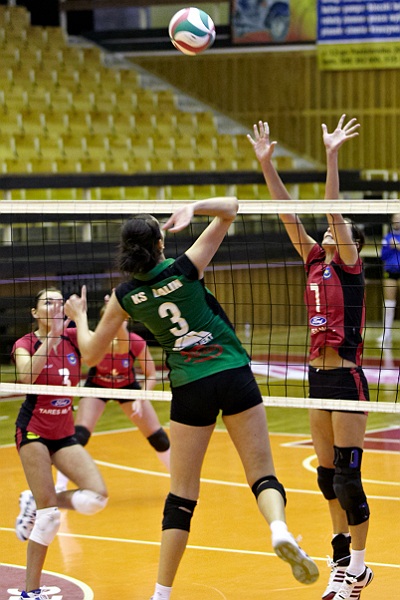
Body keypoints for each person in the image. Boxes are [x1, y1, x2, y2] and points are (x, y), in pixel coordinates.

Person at [64, 197, 319, 600]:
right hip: (233, 373)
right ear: (160, 244)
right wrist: (194, 208)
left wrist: (79, 318)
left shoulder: (125, 296)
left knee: (182, 495)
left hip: (189, 386)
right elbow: (232, 207)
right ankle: (279, 529)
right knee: (262, 474)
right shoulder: (186, 266)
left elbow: (91, 355)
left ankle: (161, 594)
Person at [248, 115, 373, 600]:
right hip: (316, 379)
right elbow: (288, 215)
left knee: (348, 478)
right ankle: (342, 561)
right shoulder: (314, 261)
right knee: (326, 479)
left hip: (347, 380)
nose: (326, 231)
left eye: (336, 230)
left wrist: (331, 156)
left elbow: (332, 210)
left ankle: (358, 570)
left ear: (352, 244)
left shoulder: (349, 266)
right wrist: (267, 164)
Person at [12, 288, 108, 600]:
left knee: (96, 498)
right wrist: (52, 336)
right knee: (49, 516)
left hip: (63, 433)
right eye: (47, 302)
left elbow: (93, 357)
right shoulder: (25, 344)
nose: (54, 306)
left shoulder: (73, 337)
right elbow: (26, 377)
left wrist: (82, 317)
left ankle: (35, 500)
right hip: (34, 432)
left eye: (58, 301)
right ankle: (30, 592)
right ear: (35, 312)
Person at [55, 300, 170, 492]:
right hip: (98, 386)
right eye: (112, 319)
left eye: (121, 319)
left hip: (127, 388)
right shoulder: (93, 341)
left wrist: (141, 397)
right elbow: (77, 356)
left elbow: (150, 375)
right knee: (79, 436)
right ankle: (59, 486)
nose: (118, 323)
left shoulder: (135, 343)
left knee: (159, 438)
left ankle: (178, 483)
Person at [377, 213, 400, 346]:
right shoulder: (387, 237)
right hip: (391, 271)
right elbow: (383, 255)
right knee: (389, 304)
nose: (397, 221)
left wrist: (398, 246)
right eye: (395, 219)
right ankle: (386, 333)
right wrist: (391, 246)